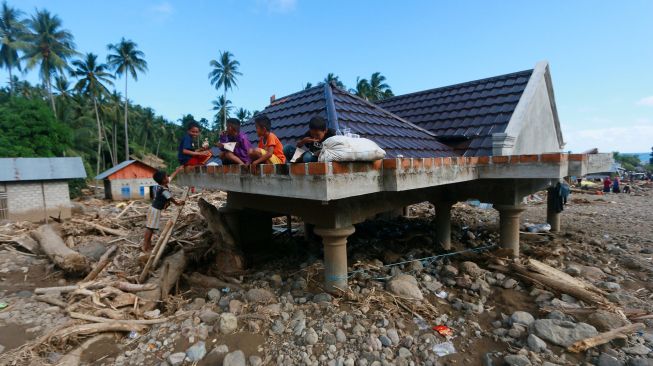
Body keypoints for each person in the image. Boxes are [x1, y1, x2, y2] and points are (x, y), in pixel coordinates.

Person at [142, 171, 185, 253]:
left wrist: (178, 170)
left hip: (155, 209)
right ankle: (145, 246)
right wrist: (178, 204)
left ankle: (148, 245)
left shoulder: (162, 185)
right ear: (163, 180)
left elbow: (171, 177)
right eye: (166, 177)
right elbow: (170, 198)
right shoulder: (163, 190)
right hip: (155, 210)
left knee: (151, 228)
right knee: (150, 228)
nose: (167, 177)